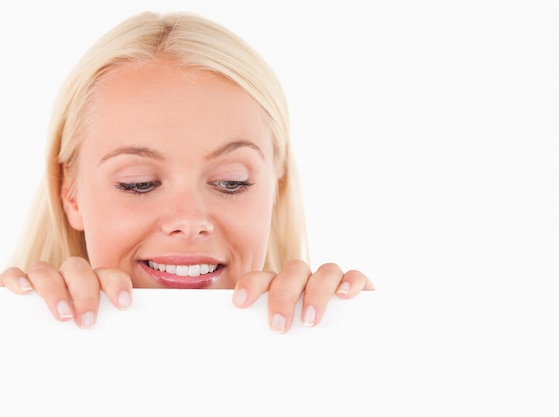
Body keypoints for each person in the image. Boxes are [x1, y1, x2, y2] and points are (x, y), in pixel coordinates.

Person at [0, 11, 373, 333]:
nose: (189, 221)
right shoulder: (16, 338)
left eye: (232, 182)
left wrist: (352, 339)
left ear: (275, 192)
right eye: (139, 184)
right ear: (72, 195)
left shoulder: (327, 339)